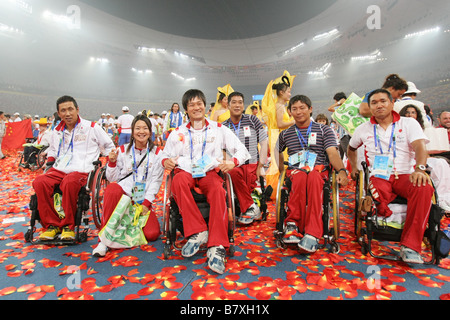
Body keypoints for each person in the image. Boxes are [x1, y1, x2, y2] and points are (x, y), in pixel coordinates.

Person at [161, 89, 250, 274]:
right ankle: (198, 231)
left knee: (219, 190)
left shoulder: (219, 129)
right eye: (191, 104)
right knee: (177, 181)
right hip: (186, 171)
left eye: (199, 103)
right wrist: (165, 160)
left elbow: (242, 150)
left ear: (205, 106)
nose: (196, 107)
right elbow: (164, 154)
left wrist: (232, 161)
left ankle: (216, 244)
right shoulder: (177, 132)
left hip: (209, 172)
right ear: (186, 109)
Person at [347, 89, 434, 264]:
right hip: (379, 176)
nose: (379, 105)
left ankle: (410, 246)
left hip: (405, 174)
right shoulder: (363, 128)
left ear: (392, 103)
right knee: (377, 191)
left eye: (383, 101)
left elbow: (419, 146)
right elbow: (351, 148)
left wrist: (420, 168)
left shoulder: (408, 123)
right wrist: (354, 168)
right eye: (374, 103)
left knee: (424, 188)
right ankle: (384, 214)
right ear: (369, 107)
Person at [32, 96, 115, 241]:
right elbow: (52, 150)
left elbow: (109, 146)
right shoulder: (56, 131)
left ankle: (67, 226)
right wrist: (50, 163)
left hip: (82, 169)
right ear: (59, 113)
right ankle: (52, 225)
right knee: (39, 182)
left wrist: (110, 161)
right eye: (63, 110)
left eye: (70, 109)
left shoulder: (92, 127)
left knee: (69, 182)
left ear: (77, 110)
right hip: (60, 169)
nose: (67, 113)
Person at [276, 95, 348, 252]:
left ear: (310, 109)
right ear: (289, 112)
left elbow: (332, 153)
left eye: (302, 108)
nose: (298, 112)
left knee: (314, 177)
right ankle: (292, 224)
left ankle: (313, 233)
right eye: (294, 109)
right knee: (300, 175)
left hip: (318, 169)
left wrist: (341, 170)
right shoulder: (286, 134)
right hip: (296, 170)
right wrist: (282, 170)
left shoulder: (324, 130)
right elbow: (278, 151)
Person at [93, 115, 164, 257]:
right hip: (122, 198)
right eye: (137, 128)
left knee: (152, 234)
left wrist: (146, 203)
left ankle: (122, 230)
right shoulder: (122, 150)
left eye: (145, 128)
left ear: (150, 132)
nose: (141, 131)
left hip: (141, 202)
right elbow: (111, 178)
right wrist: (112, 163)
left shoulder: (158, 154)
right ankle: (104, 241)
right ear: (132, 132)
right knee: (112, 189)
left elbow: (156, 181)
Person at [222, 92, 269, 225]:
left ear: (244, 105)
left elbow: (264, 142)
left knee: (248, 187)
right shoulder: (224, 126)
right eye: (234, 102)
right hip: (234, 166)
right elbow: (222, 149)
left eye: (240, 102)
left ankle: (248, 207)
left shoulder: (253, 120)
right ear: (228, 105)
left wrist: (261, 166)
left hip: (252, 164)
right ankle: (251, 207)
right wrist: (228, 163)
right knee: (231, 174)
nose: (237, 105)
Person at [262, 71, 296, 200]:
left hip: (278, 135)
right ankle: (276, 189)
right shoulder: (280, 106)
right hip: (279, 136)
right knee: (279, 163)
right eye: (288, 91)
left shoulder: (279, 105)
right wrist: (294, 121)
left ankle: (279, 188)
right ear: (281, 92)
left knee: (279, 163)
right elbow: (281, 123)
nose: (290, 94)